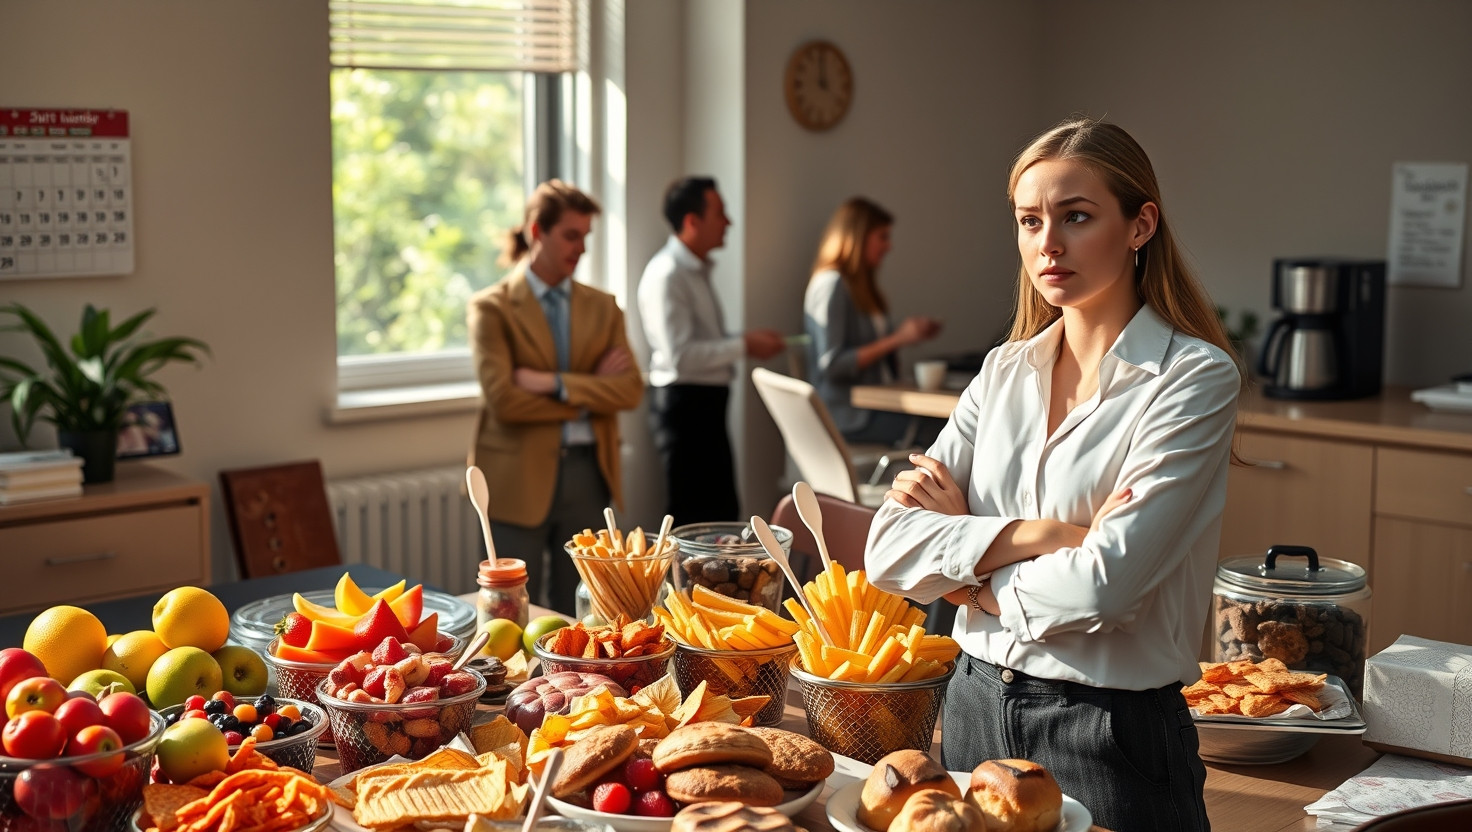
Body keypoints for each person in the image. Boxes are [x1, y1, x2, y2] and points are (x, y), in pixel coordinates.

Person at [864, 118, 1242, 832]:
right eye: (1030, 220)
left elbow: (1106, 584)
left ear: (1140, 225)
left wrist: (969, 576)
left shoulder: (1192, 379)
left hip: (1108, 732)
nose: (1049, 244)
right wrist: (1044, 535)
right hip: (972, 708)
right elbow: (886, 551)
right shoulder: (1003, 371)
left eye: (1076, 217)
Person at [468, 180, 643, 614]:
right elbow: (504, 400)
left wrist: (553, 383)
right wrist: (589, 390)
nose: (581, 247)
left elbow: (630, 389)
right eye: (571, 234)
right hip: (514, 477)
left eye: (586, 236)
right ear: (536, 231)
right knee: (508, 609)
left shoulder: (604, 307)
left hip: (588, 473)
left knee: (587, 608)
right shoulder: (492, 308)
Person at [638, 176, 785, 526]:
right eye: (720, 213)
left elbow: (698, 341)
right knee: (694, 519)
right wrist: (745, 345)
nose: (729, 222)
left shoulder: (694, 271)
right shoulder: (668, 274)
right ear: (692, 222)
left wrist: (744, 341)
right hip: (685, 408)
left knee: (719, 514)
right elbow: (682, 357)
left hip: (703, 405)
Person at [804, 197, 943, 446]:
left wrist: (906, 335)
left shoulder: (862, 287)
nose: (888, 246)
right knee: (943, 429)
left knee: (948, 427)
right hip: (848, 416)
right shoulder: (831, 284)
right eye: (883, 236)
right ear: (858, 236)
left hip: (870, 408)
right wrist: (898, 338)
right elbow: (833, 365)